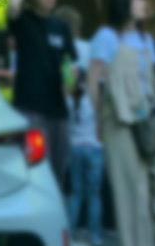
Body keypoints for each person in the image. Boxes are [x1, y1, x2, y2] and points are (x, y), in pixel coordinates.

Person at [87, 0, 155, 246]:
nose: (143, 3)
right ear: (122, 3)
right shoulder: (106, 38)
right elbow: (93, 81)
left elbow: (153, 81)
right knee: (134, 202)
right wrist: (98, 120)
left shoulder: (145, 39)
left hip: (152, 120)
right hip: (118, 121)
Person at [7, 0, 77, 189]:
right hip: (31, 108)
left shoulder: (60, 26)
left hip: (58, 110)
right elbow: (13, 7)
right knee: (34, 169)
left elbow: (69, 61)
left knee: (58, 171)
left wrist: (69, 84)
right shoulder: (24, 22)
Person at [66, 66, 104, 246]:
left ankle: (70, 232)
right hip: (94, 148)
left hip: (74, 148)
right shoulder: (94, 97)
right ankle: (94, 235)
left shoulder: (68, 97)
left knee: (75, 192)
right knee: (94, 195)